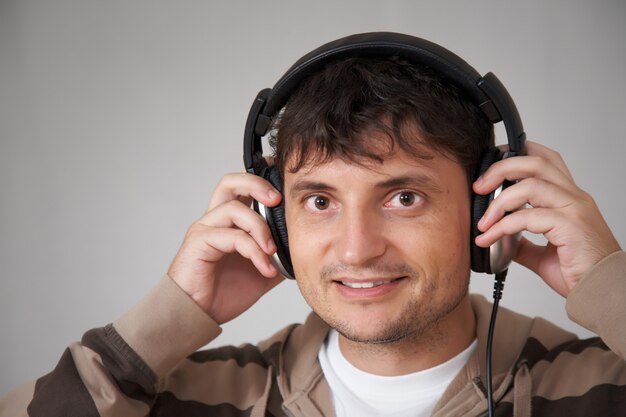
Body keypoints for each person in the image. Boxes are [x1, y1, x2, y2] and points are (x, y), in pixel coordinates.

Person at [1, 33, 625, 417]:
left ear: (489, 208)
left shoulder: (600, 384)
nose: (357, 249)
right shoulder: (189, 397)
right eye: (320, 201)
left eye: (404, 197)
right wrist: (168, 317)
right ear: (274, 217)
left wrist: (612, 288)